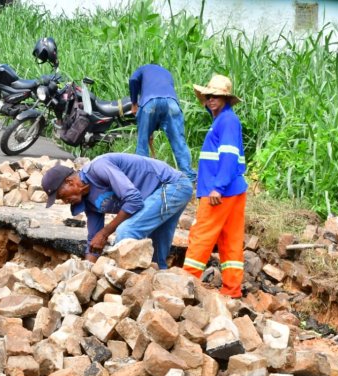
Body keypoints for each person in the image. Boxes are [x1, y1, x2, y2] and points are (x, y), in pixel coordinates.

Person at [42, 153, 193, 269]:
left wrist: (105, 233)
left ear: (70, 182)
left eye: (61, 196)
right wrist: (86, 273)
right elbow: (94, 241)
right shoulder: (88, 201)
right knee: (156, 257)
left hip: (173, 185)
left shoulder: (98, 168)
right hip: (158, 195)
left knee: (127, 231)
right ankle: (162, 290)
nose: (64, 201)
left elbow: (133, 199)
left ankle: (123, 291)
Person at [182, 75, 247, 298]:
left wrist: (218, 187)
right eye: (209, 96)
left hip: (220, 192)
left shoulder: (227, 121)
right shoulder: (223, 120)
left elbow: (228, 156)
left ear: (226, 99)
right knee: (231, 240)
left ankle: (185, 282)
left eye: (216, 97)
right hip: (233, 190)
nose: (211, 100)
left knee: (201, 234)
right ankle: (232, 289)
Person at [129, 63, 194, 179]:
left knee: (142, 142)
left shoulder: (143, 68)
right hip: (171, 103)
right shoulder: (167, 73)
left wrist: (134, 103)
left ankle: (142, 178)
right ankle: (189, 177)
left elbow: (133, 79)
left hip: (149, 103)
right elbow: (162, 101)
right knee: (179, 141)